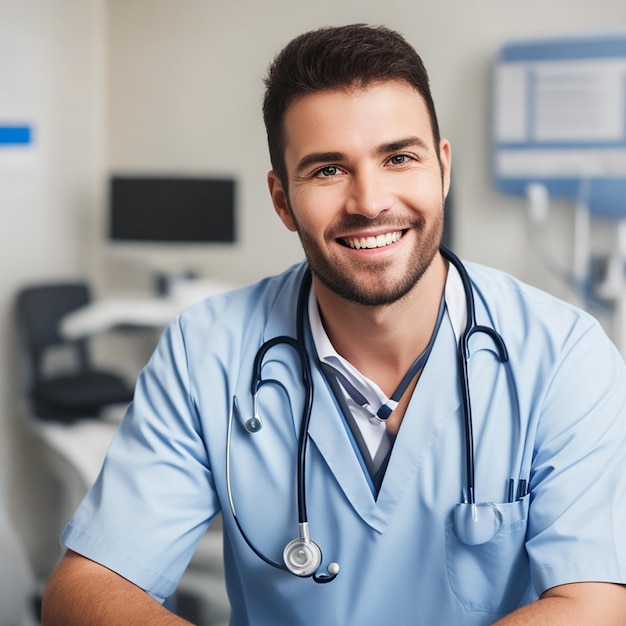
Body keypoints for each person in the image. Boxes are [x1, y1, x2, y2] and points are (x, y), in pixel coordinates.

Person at [42, 24, 626, 625]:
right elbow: (84, 587)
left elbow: (594, 602)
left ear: (442, 168)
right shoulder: (206, 352)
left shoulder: (564, 356)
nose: (370, 201)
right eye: (327, 170)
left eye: (399, 157)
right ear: (281, 199)